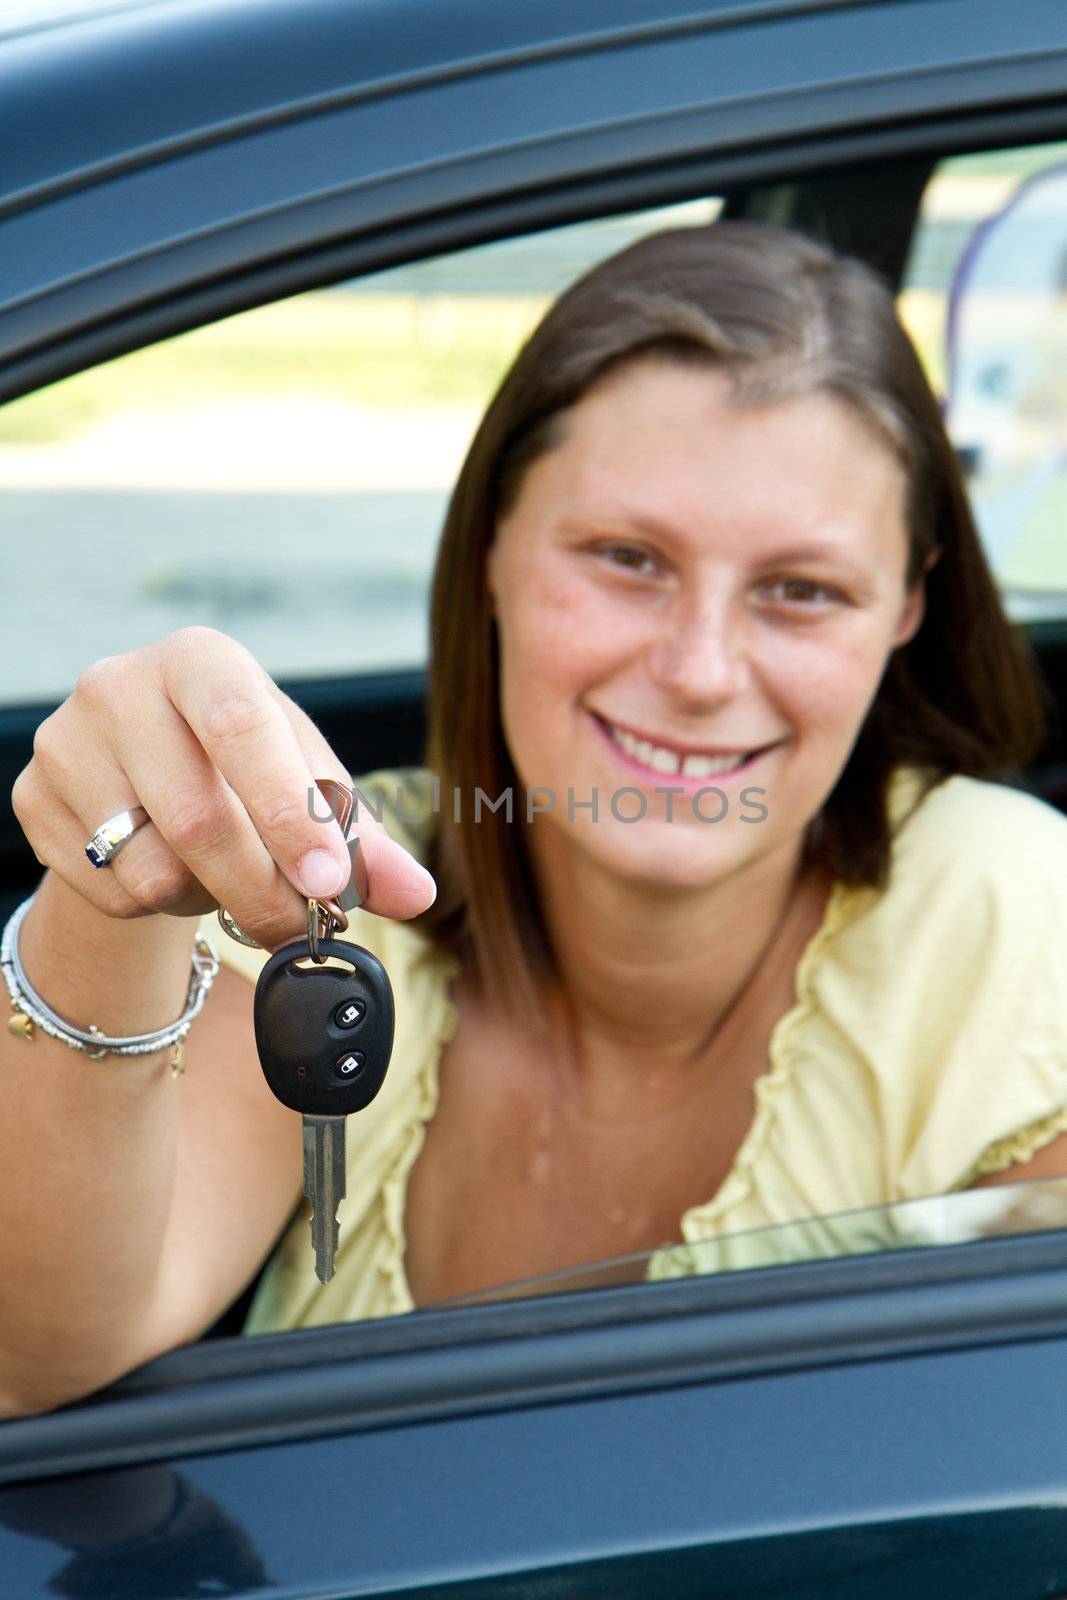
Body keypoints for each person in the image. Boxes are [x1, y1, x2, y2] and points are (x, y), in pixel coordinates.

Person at [4, 221, 1067, 1417]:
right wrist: (108, 902)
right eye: (626, 557)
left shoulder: (1013, 920)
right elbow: (32, 1352)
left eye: (801, 590)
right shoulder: (335, 889)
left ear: (909, 605)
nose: (701, 667)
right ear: (491, 549)